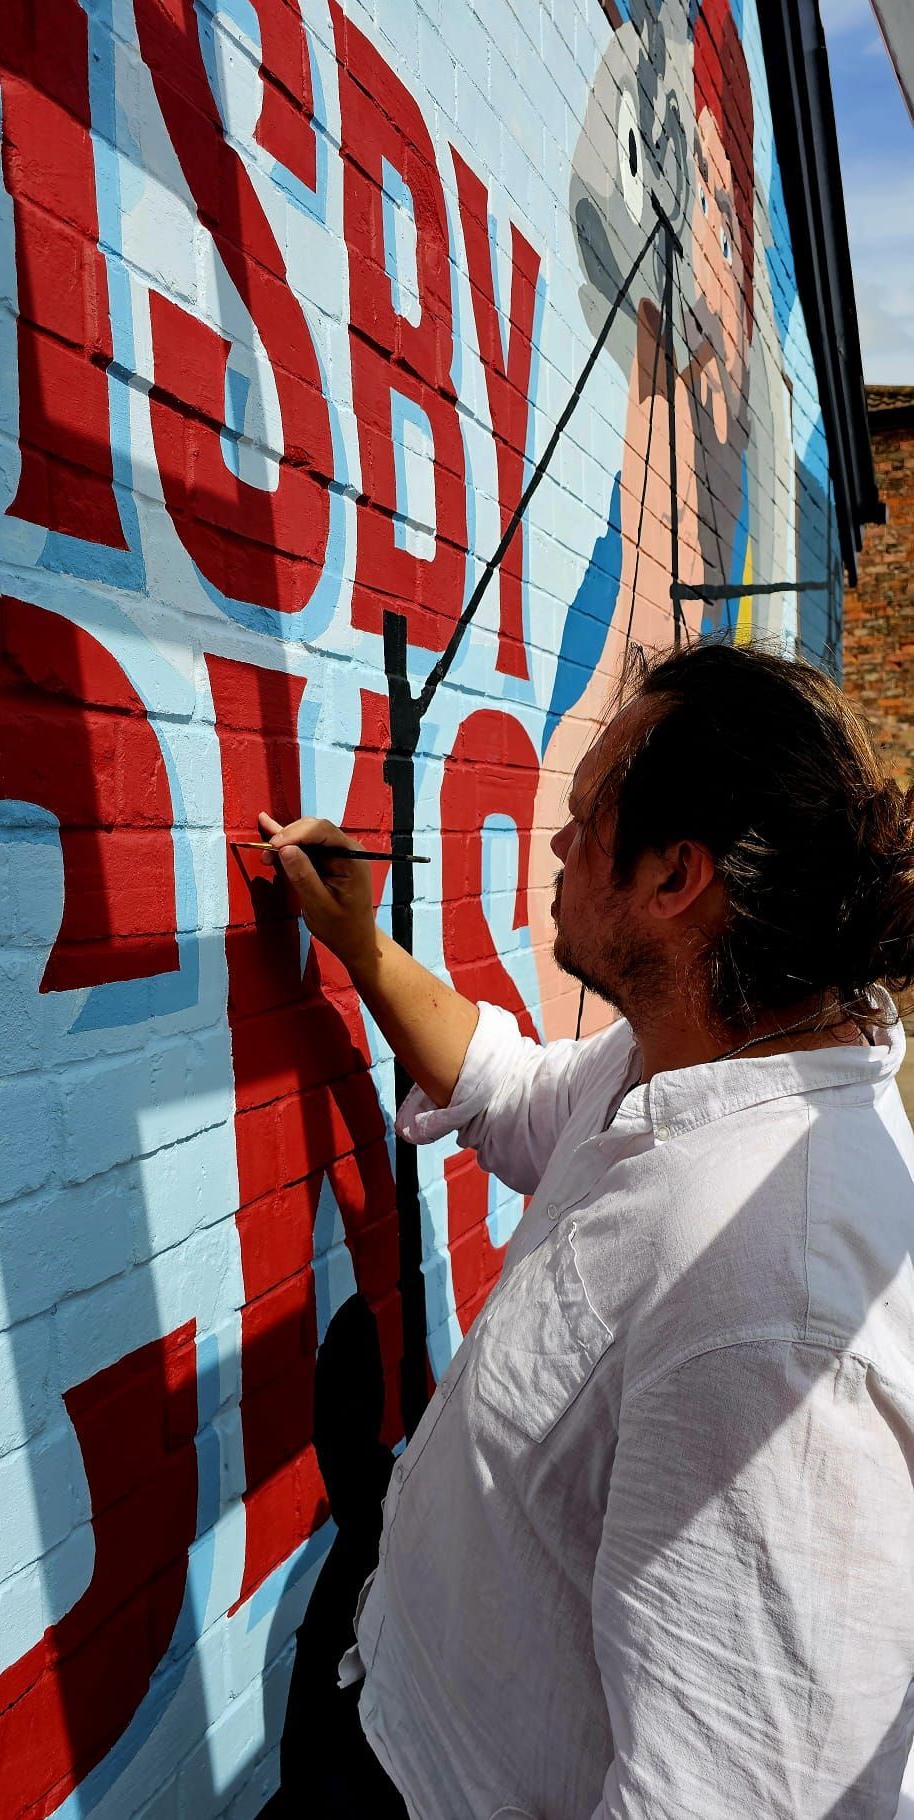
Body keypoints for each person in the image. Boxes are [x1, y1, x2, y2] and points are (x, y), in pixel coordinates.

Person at [258, 639, 914, 1819]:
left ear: (676, 878)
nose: (555, 846)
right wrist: (357, 945)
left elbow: (730, 1794)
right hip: (387, 1695)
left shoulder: (775, 1306)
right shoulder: (697, 1048)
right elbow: (513, 1092)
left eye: (583, 819)